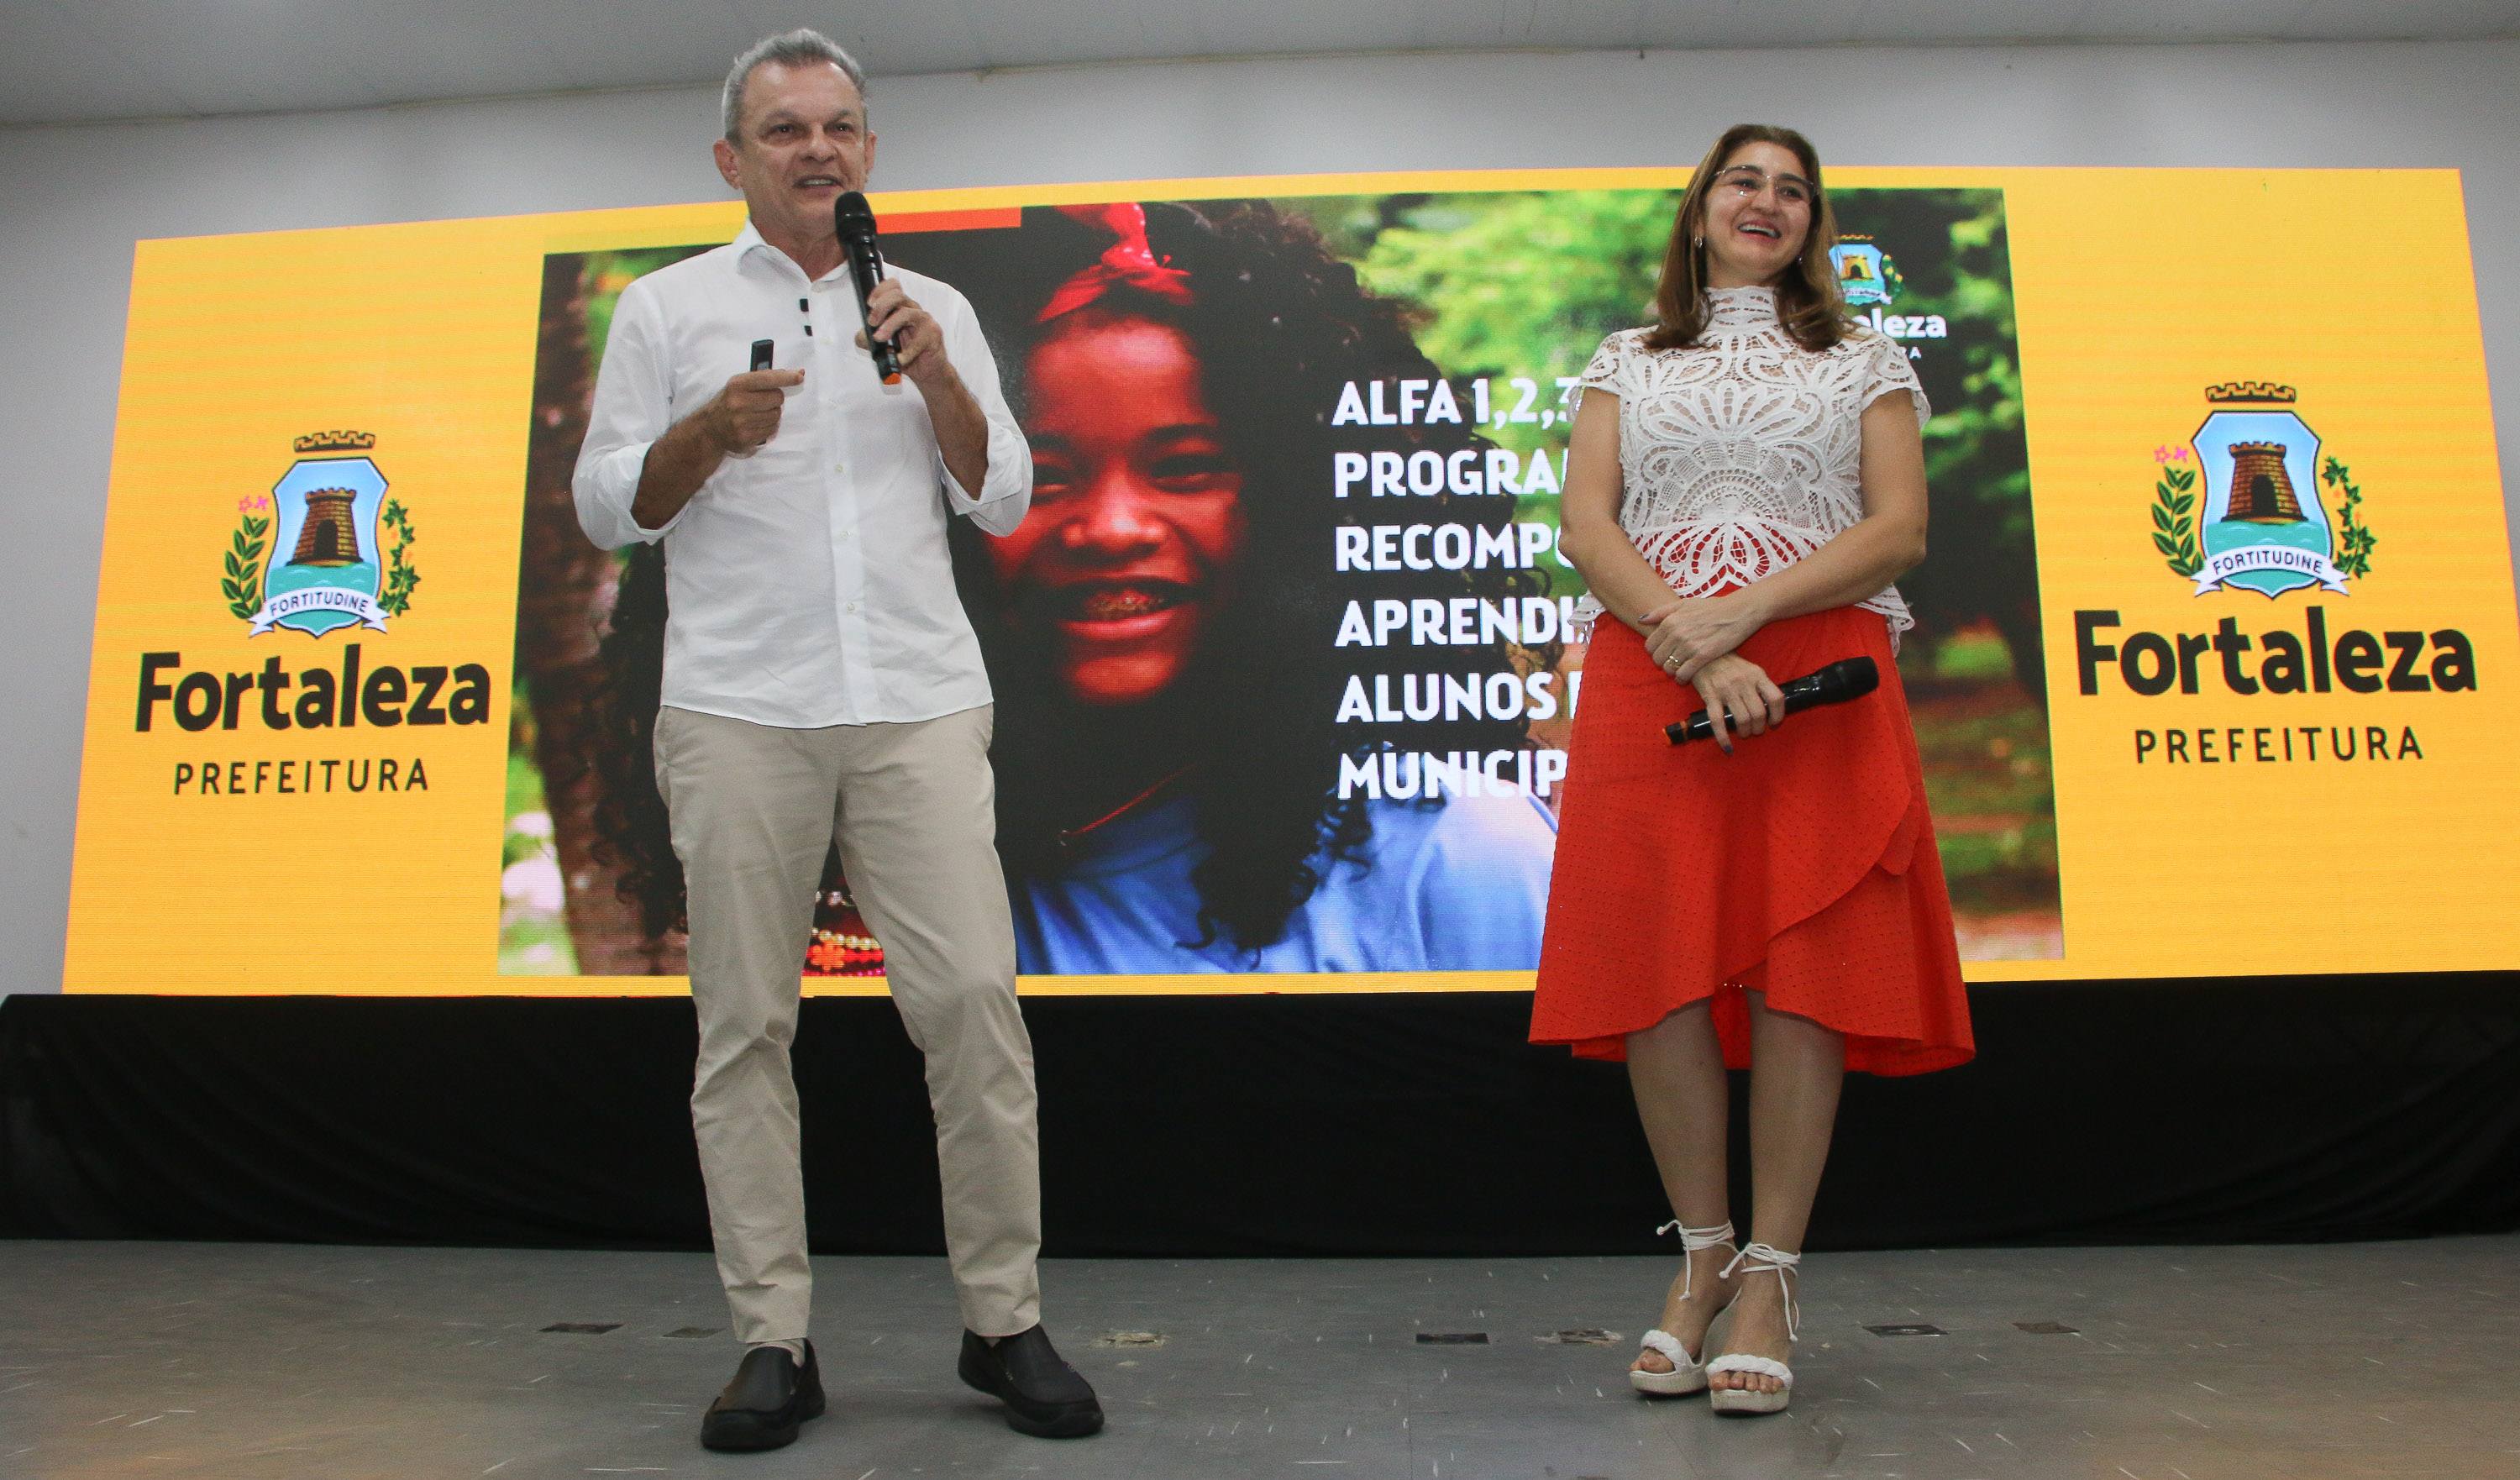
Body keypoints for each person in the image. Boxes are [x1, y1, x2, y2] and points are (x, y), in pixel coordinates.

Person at [570, 29, 1100, 1450]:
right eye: (788, 128)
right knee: (744, 1027)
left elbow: (1002, 498)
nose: (820, 150)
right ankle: (771, 1340)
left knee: (975, 1007)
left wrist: (935, 379)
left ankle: (1005, 1321)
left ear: (870, 153)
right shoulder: (665, 309)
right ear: (732, 160)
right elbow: (608, 505)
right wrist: (705, 434)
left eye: (842, 128)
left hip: (919, 699)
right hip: (739, 709)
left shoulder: (931, 304)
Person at [1530, 125, 1975, 1417]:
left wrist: (1745, 614)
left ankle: (1773, 1272)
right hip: (1651, 666)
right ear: (1701, 208)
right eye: (1744, 181)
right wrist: (1692, 636)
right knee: (1656, 962)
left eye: (1791, 189)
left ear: (1812, 221)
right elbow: (1587, 523)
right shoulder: (1625, 357)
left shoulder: (1866, 357)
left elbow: (1900, 527)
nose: (1765, 203)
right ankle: (1701, 1252)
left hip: (1820, 668)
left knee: (1803, 961)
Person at [920, 201, 1560, 974]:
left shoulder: (1459, 857)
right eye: (1042, 477)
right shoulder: (909, 881)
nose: (1114, 528)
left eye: (1184, 468)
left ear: (1292, 509)